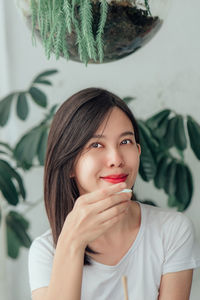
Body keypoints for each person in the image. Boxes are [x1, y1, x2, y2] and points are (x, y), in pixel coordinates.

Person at [28, 87, 200, 300]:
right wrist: (72, 243)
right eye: (96, 144)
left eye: (125, 141)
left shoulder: (171, 231)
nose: (116, 159)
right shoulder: (46, 252)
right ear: (69, 164)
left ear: (138, 151)